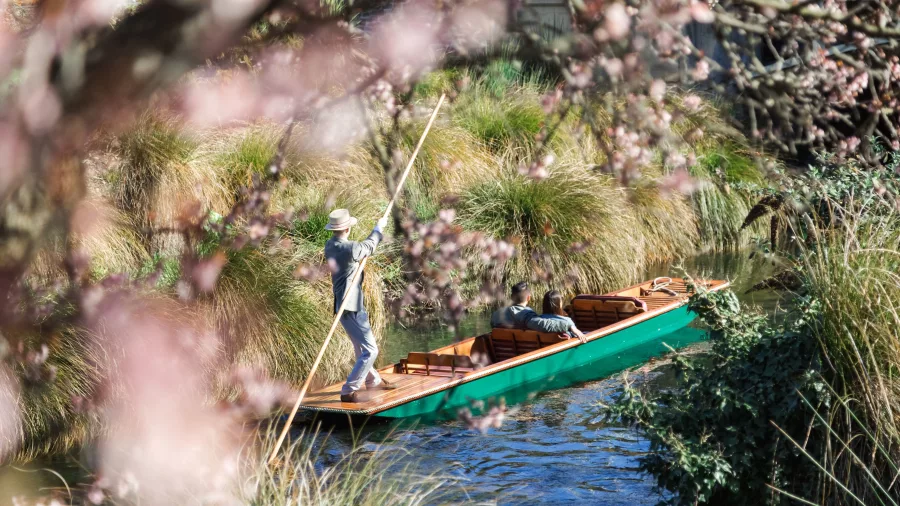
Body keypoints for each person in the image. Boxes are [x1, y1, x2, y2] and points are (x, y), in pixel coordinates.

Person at [324, 208, 394, 403]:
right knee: (370, 350)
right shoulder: (350, 248)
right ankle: (349, 390)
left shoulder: (330, 245)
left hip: (341, 303)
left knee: (359, 346)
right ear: (347, 228)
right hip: (351, 305)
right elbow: (370, 245)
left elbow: (360, 248)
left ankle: (373, 380)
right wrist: (379, 228)